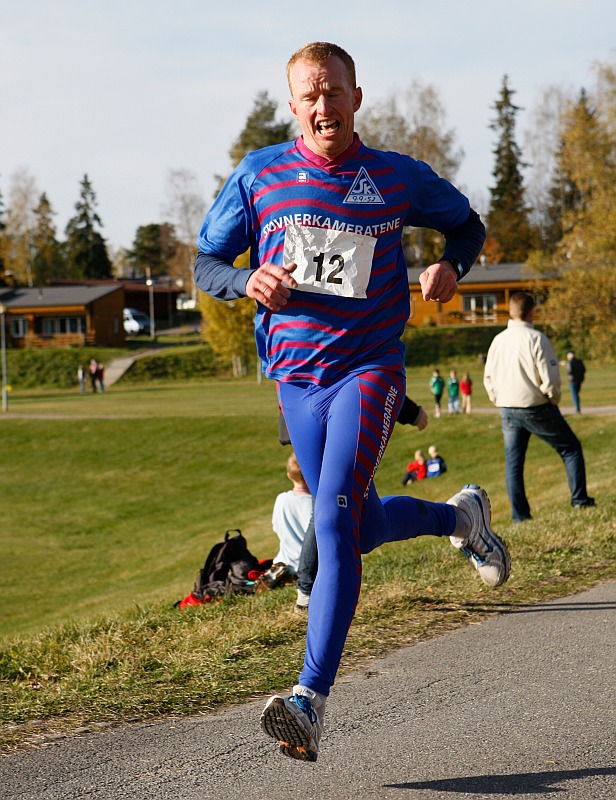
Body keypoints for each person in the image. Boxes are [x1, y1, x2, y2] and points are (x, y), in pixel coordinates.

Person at [194, 41, 509, 762]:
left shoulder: (394, 176)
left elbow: (467, 225)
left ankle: (309, 699)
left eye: (334, 91)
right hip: (296, 383)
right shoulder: (259, 175)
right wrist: (246, 281)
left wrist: (451, 266)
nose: (323, 105)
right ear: (293, 106)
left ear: (356, 97)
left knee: (332, 514)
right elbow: (205, 263)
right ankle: (461, 517)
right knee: (360, 528)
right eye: (309, 95)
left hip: (370, 370)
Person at [483, 292, 595, 523]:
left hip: (507, 407)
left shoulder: (498, 341)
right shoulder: (537, 338)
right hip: (536, 406)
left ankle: (520, 516)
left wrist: (498, 399)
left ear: (510, 312)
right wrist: (553, 398)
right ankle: (579, 499)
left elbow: (488, 377)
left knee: (514, 464)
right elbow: (550, 378)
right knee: (571, 449)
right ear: (532, 312)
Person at [259, 452, 315, 593]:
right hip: (307, 566)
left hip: (284, 564)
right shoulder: (312, 505)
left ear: (289, 475)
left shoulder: (281, 499)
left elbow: (276, 527)